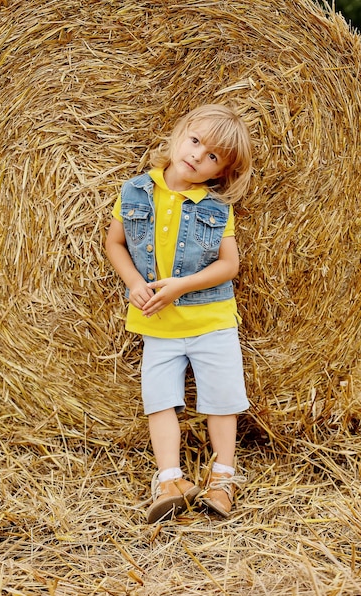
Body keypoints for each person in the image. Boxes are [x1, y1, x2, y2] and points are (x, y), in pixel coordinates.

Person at [105, 103, 252, 523]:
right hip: (157, 324)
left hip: (212, 321)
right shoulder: (133, 191)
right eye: (195, 141)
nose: (197, 155)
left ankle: (223, 479)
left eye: (212, 157)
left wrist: (182, 285)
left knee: (222, 400)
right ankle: (169, 479)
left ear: (219, 173)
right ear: (180, 134)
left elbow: (229, 265)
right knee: (159, 400)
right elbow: (115, 242)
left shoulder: (215, 208)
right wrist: (135, 282)